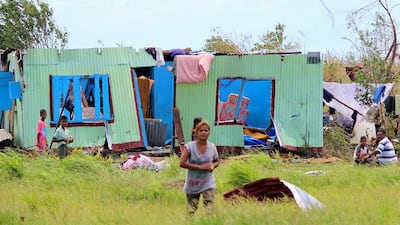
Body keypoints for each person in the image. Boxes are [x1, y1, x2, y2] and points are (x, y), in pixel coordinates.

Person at [179, 120, 219, 216]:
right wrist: (201, 167)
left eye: (206, 130)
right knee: (191, 209)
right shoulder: (190, 147)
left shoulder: (212, 147)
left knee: (210, 207)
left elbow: (217, 161)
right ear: (196, 133)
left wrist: (213, 165)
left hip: (208, 182)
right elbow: (182, 163)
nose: (203, 132)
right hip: (193, 183)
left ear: (209, 132)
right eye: (201, 130)